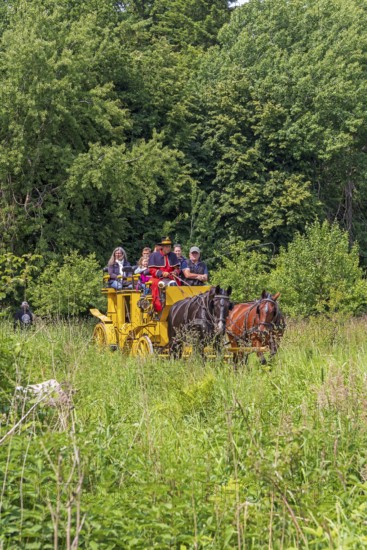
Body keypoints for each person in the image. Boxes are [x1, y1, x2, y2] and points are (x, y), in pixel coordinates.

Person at [149, 237, 180, 312]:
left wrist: (175, 272)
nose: (168, 248)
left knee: (175, 284)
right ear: (162, 247)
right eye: (166, 246)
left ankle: (176, 305)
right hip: (158, 278)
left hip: (171, 277)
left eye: (169, 246)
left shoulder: (173, 255)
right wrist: (162, 273)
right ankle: (160, 306)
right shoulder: (154, 255)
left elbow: (177, 269)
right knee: (158, 285)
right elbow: (151, 270)